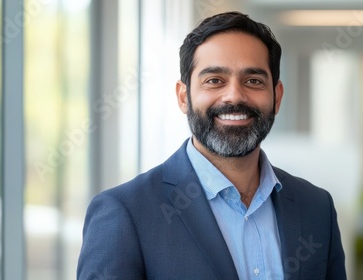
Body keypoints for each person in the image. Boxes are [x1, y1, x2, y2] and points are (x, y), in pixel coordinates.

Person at [77, 11, 346, 280]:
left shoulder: (316, 208)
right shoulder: (125, 213)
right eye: (214, 80)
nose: (234, 96)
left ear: (276, 97)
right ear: (184, 97)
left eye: (253, 81)